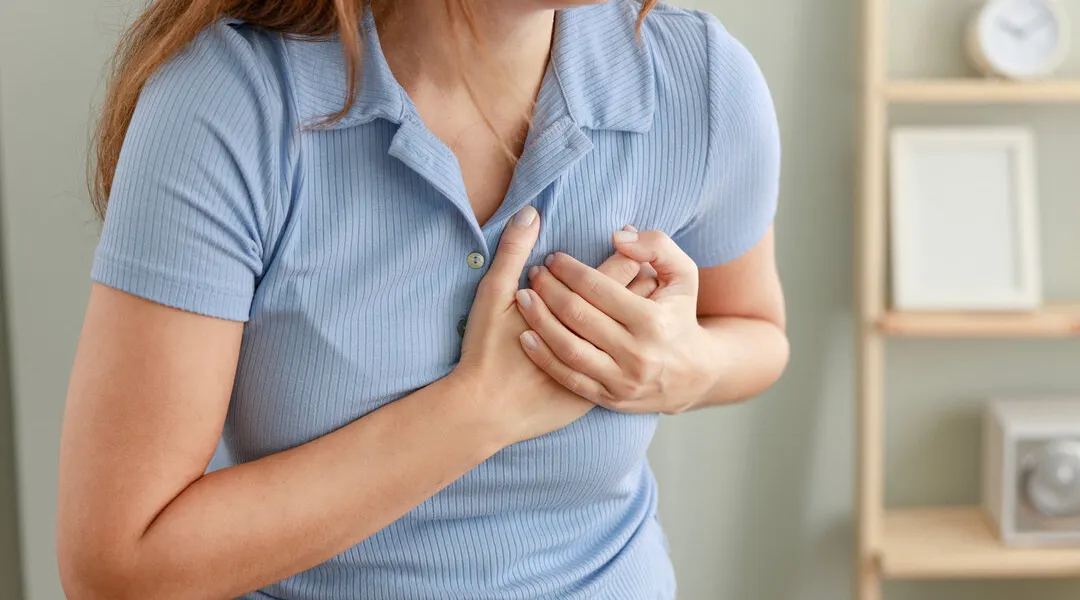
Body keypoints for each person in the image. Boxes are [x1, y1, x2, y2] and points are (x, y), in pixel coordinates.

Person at [56, 0, 788, 597]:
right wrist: (478, 412)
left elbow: (757, 332)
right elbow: (121, 566)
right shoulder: (225, 101)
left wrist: (685, 367)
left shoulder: (702, 80)